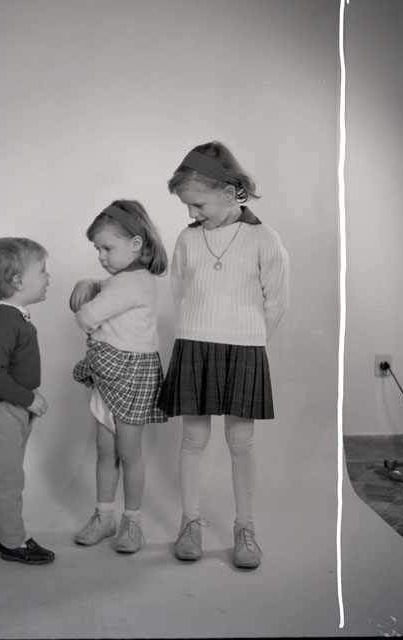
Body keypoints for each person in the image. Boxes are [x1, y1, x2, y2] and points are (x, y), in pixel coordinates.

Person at [157, 141, 289, 568]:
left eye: (197, 204)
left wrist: (250, 338)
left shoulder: (263, 238)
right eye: (187, 206)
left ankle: (245, 528)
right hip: (195, 343)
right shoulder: (187, 239)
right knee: (193, 439)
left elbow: (277, 300)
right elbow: (180, 291)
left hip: (244, 348)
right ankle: (190, 522)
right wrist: (198, 329)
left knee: (241, 442)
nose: (191, 213)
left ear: (230, 193)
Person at [69, 200, 168, 554]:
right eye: (97, 249)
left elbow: (86, 317)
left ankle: (132, 521)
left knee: (127, 452)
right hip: (109, 371)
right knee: (105, 448)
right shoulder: (125, 279)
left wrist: (86, 296)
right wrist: (87, 281)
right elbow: (106, 285)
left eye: (107, 248)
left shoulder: (132, 284)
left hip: (129, 373)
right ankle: (104, 516)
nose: (101, 256)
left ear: (136, 244)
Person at [0, 237, 55, 565]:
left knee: (2, 475)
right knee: (8, 481)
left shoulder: (13, 317)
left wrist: (27, 399)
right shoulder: (1, 322)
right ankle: (13, 542)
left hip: (11, 409)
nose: (48, 276)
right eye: (42, 270)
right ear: (17, 281)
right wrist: (29, 398)